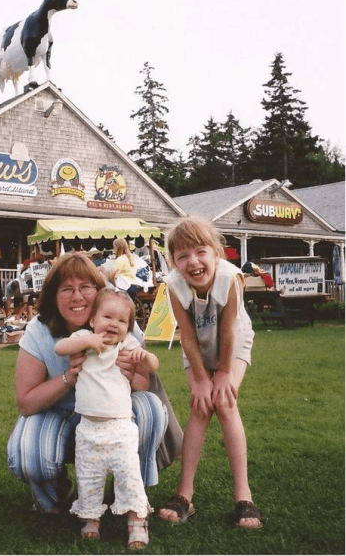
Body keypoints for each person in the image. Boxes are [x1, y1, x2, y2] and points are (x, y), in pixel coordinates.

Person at [7, 253, 169, 518]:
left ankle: (128, 492)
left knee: (151, 408)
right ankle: (55, 495)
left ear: (99, 291)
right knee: (29, 454)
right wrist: (67, 379)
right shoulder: (39, 330)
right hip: (58, 414)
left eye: (85, 287)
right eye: (67, 289)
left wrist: (130, 374)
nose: (77, 297)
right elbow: (26, 403)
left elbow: (145, 382)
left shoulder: (118, 319)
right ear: (52, 295)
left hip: (111, 416)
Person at [158, 217, 263, 529]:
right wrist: (202, 379)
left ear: (217, 251)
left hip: (234, 343)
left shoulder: (231, 278)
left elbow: (229, 329)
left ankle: (244, 497)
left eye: (201, 251)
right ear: (173, 261)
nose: (193, 261)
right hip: (199, 347)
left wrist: (223, 374)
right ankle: (184, 495)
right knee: (200, 406)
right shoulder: (173, 284)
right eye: (182, 256)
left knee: (225, 403)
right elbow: (187, 336)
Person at [55, 288, 159, 549]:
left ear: (129, 328)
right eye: (107, 317)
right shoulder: (84, 338)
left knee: (129, 476)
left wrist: (144, 357)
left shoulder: (127, 345)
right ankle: (91, 519)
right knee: (88, 476)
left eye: (122, 321)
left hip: (121, 428)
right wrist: (88, 343)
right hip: (88, 428)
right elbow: (60, 347)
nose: (113, 324)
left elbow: (154, 364)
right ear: (93, 320)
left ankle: (137, 521)